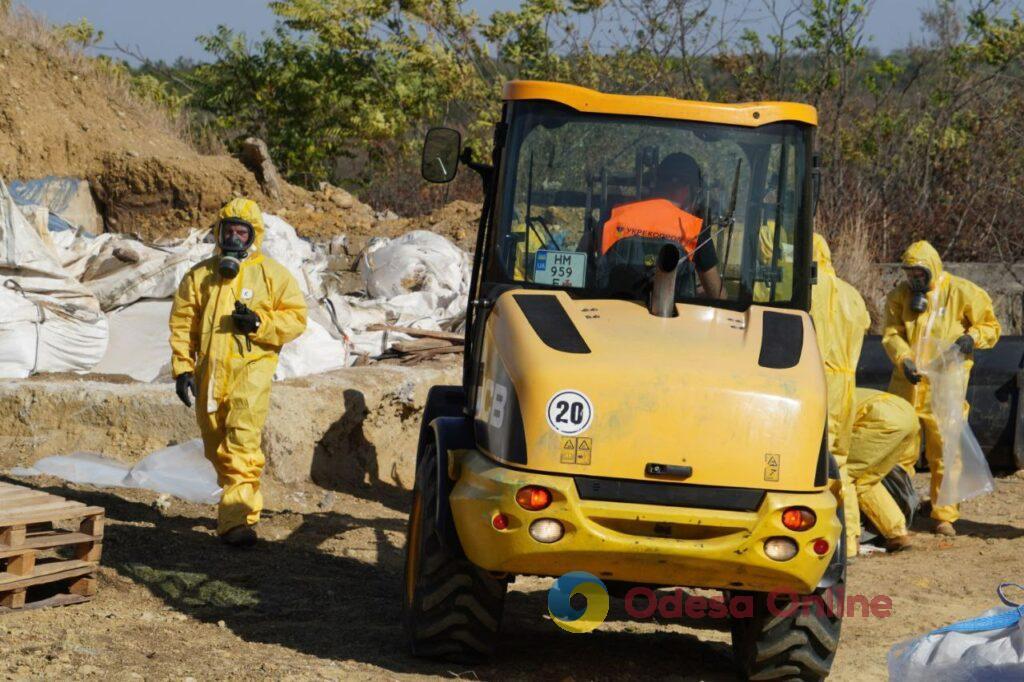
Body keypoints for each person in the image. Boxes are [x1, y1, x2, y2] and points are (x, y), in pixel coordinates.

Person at [169, 198, 307, 547]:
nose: (233, 236)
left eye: (241, 231)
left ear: (252, 235)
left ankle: (237, 521)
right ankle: (235, 496)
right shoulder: (200, 275)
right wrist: (183, 368)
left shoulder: (272, 275)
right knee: (216, 444)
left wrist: (260, 323)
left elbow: (296, 318)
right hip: (209, 373)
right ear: (219, 232)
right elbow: (184, 323)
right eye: (228, 230)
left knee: (241, 441)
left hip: (252, 370)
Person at [882, 240, 1000, 536]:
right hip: (907, 384)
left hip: (945, 386)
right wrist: (903, 359)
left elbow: (990, 326)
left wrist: (971, 338)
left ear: (932, 269)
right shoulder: (900, 296)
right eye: (910, 274)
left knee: (946, 450)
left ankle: (944, 513)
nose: (914, 280)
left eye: (919, 274)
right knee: (900, 451)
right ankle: (900, 509)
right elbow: (892, 333)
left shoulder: (962, 292)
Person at [809, 233, 871, 558]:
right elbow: (867, 323)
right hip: (847, 386)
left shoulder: (808, 289)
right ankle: (852, 539)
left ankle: (837, 541)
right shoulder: (853, 295)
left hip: (819, 380)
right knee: (841, 462)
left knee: (817, 462)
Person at [601, 153, 725, 298]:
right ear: (688, 190)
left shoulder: (616, 215)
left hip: (614, 309)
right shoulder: (693, 229)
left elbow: (584, 262)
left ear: (658, 183)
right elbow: (717, 295)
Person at [848, 388, 920, 552]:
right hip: (908, 415)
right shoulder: (835, 387)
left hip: (883, 419)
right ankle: (898, 534)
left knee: (844, 475)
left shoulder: (814, 401)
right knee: (866, 480)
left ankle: (849, 543)